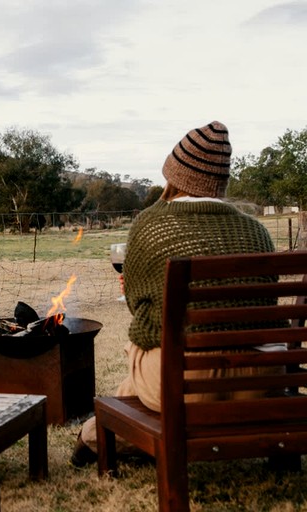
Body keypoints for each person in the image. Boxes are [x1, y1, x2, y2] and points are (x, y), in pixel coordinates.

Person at [71, 120, 277, 466]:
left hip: (184, 387)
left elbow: (141, 311)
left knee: (141, 346)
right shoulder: (257, 232)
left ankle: (95, 435)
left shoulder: (152, 224)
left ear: (175, 175)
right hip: (257, 383)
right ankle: (95, 434)